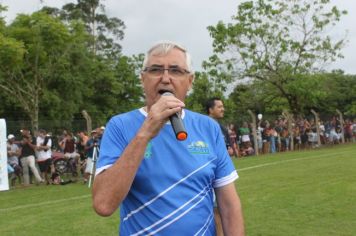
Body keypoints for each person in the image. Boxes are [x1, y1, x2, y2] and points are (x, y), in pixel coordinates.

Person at [92, 41, 244, 235]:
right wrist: (145, 132)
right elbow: (103, 204)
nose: (165, 79)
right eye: (155, 70)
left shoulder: (208, 128)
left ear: (190, 81)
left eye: (176, 71)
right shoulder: (120, 126)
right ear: (142, 79)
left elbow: (229, 206)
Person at [205, 97, 236, 236]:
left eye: (222, 106)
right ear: (210, 110)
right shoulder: (203, 125)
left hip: (222, 173)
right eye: (219, 107)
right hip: (210, 173)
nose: (222, 109)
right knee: (216, 209)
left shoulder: (220, 127)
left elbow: (227, 148)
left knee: (221, 207)